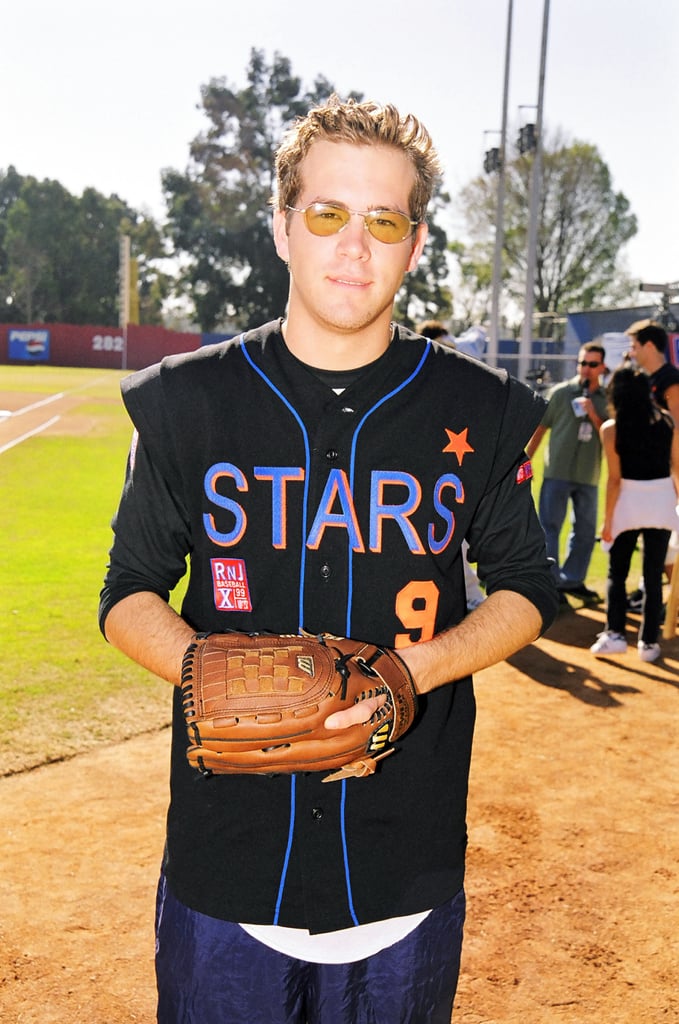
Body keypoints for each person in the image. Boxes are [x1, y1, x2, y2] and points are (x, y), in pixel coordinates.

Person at [99, 95, 558, 1024]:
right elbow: (126, 594)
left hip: (404, 862)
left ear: (415, 243)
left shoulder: (481, 406)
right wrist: (205, 668)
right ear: (282, 227)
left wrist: (408, 670)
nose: (354, 246)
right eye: (327, 213)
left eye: (383, 220)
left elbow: (527, 589)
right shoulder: (187, 402)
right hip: (230, 865)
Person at [590, 366, 679, 663]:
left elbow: (614, 479)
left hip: (628, 501)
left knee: (618, 570)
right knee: (653, 575)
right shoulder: (667, 421)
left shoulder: (611, 428)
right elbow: (676, 467)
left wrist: (608, 521)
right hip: (662, 500)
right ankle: (648, 643)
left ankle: (614, 634)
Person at [526, 341, 609, 602]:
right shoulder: (560, 393)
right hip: (557, 472)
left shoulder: (608, 399)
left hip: (588, 474)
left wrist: (594, 414)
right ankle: (551, 583)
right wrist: (526, 460)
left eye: (592, 364)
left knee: (585, 530)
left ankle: (573, 580)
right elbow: (540, 428)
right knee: (549, 527)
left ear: (602, 367)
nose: (586, 369)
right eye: (583, 363)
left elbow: (611, 437)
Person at [416, 318, 485, 610]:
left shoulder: (461, 387)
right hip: (417, 482)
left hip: (453, 479)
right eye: (445, 348)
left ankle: (470, 596)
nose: (451, 354)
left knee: (457, 538)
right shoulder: (412, 387)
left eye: (453, 348)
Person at [625, 319, 679, 608]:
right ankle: (653, 595)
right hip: (650, 477)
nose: (631, 352)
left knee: (668, 546)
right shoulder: (644, 379)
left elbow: (678, 429)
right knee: (656, 544)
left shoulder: (669, 379)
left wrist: (675, 478)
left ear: (649, 345)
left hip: (668, 477)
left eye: (634, 346)